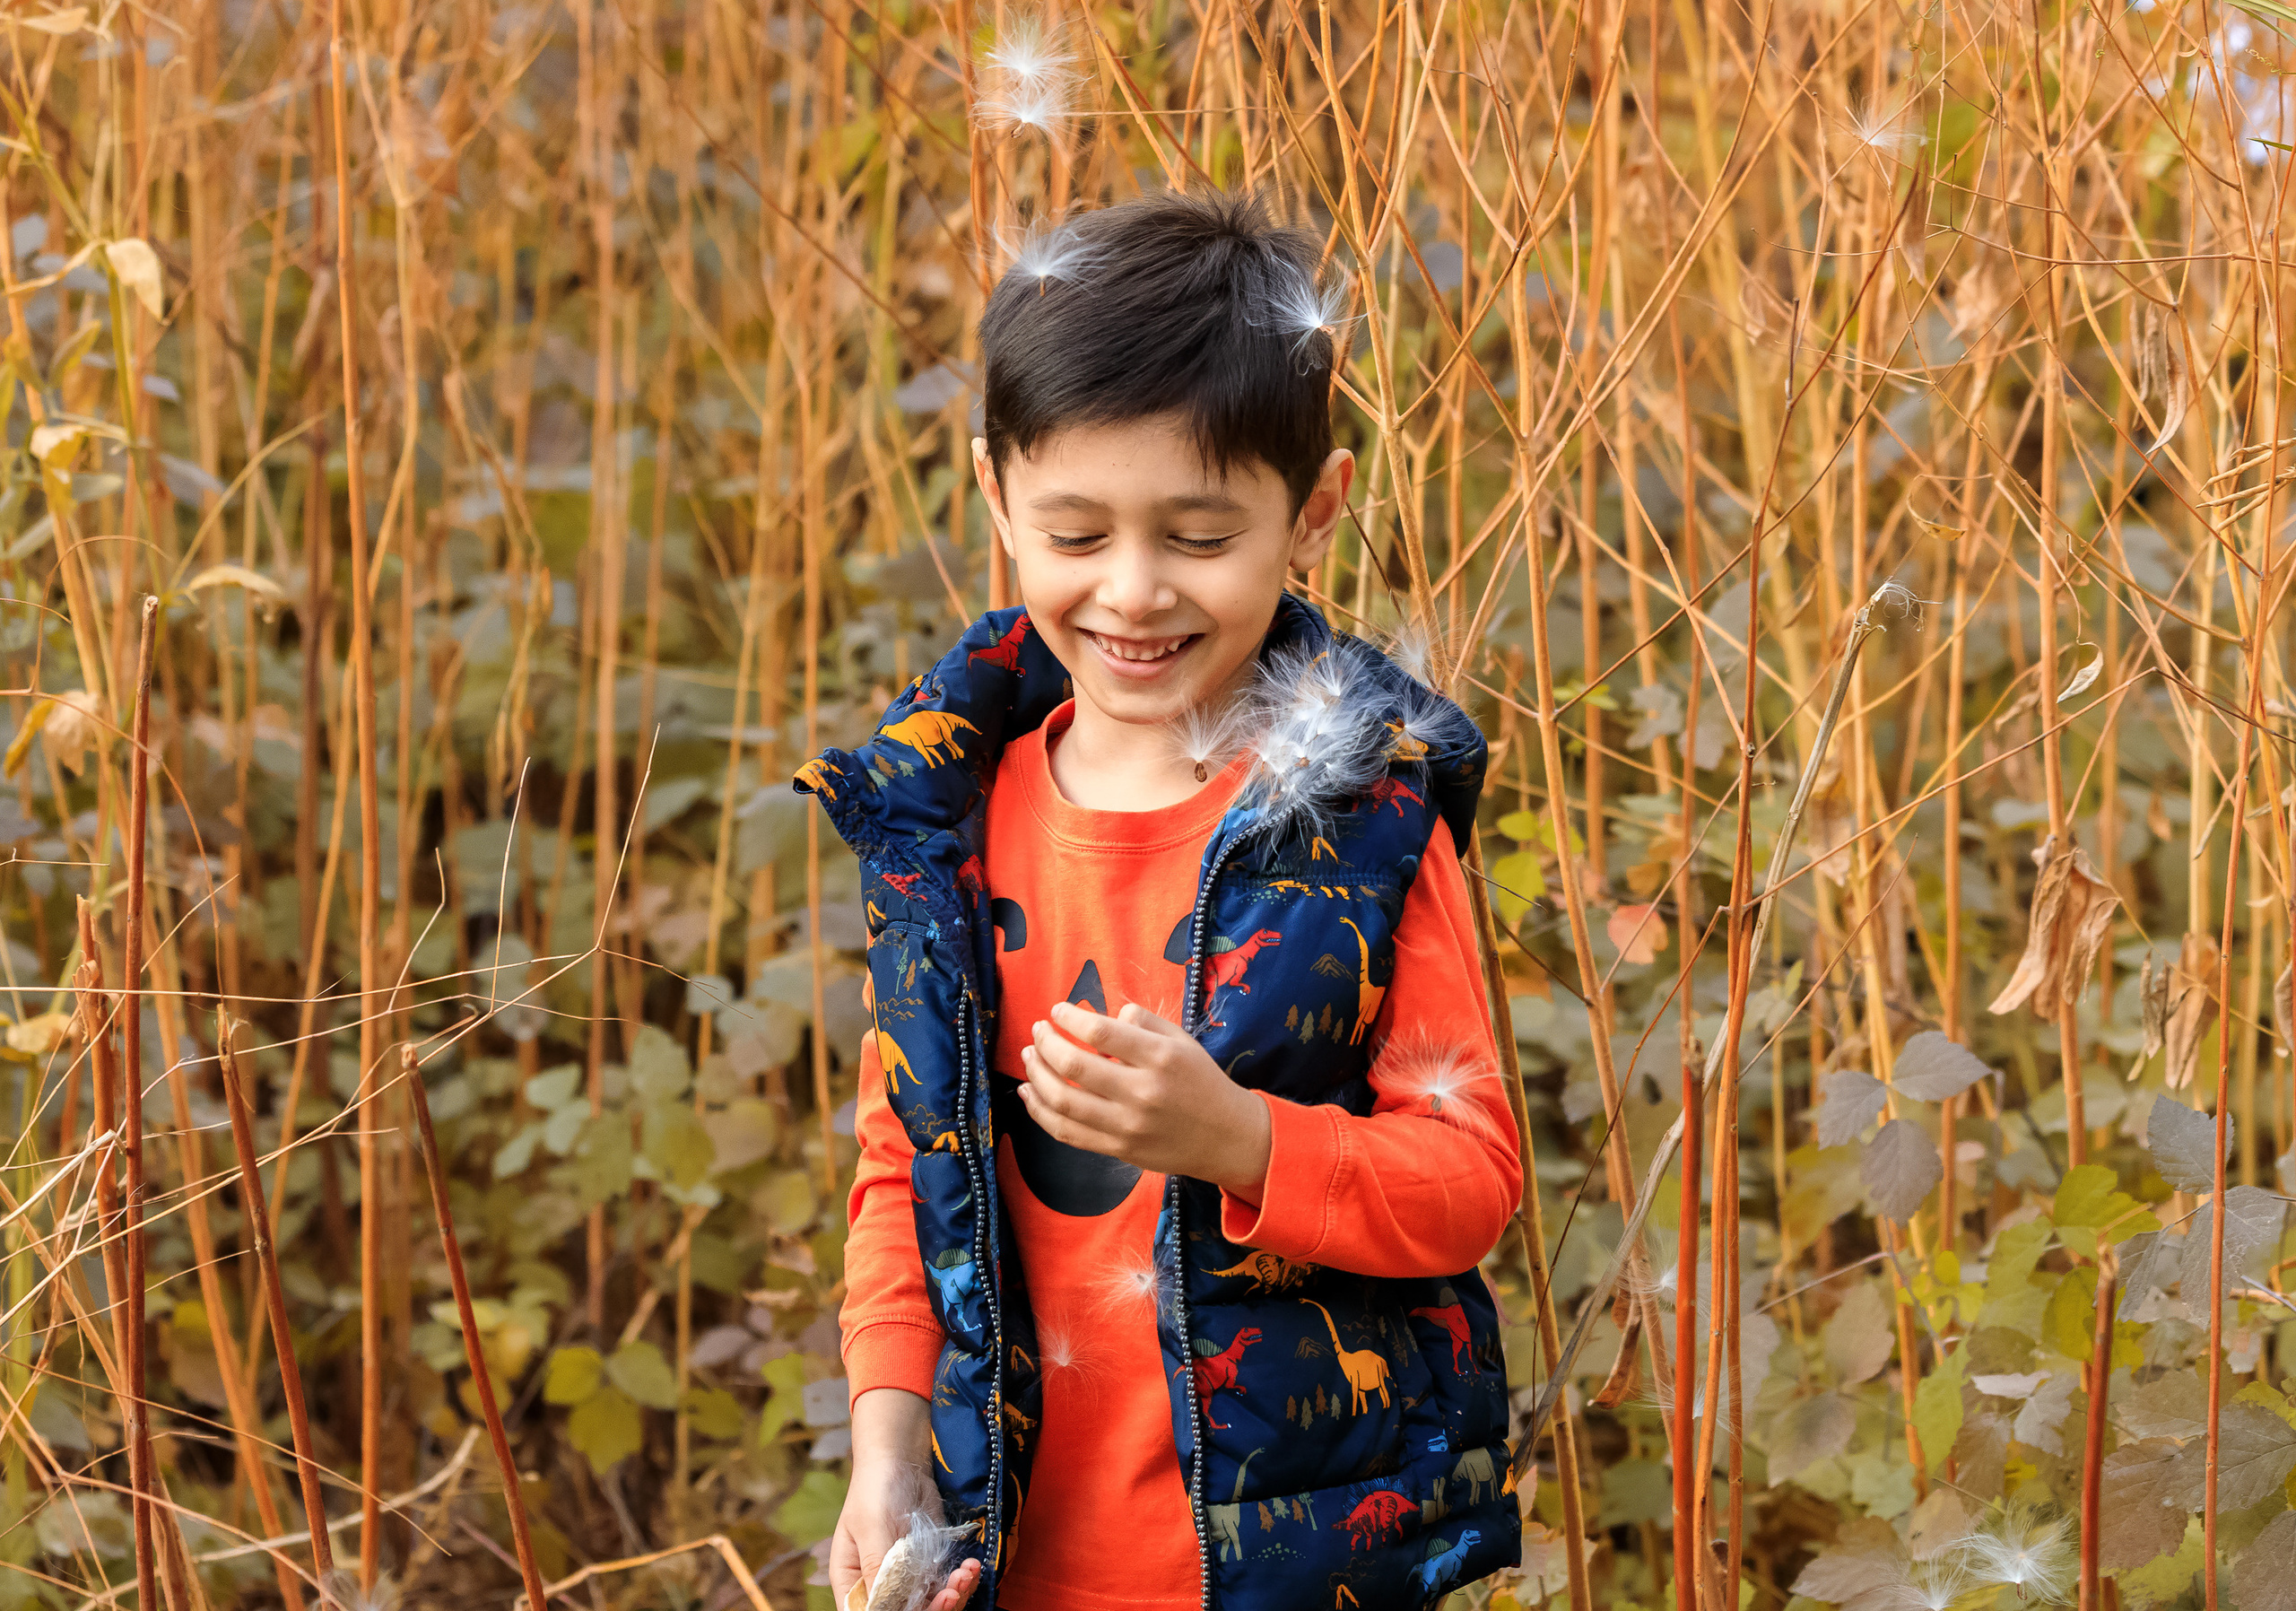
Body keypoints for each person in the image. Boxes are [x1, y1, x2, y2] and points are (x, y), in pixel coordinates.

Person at [799, 188, 1522, 1611]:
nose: (1131, 593)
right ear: (994, 493)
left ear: (1313, 510)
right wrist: (886, 1454)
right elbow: (905, 1169)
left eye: (1198, 537)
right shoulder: (947, 826)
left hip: (1291, 1571)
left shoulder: (1362, 826)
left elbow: (1469, 1188)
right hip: (1014, 1562)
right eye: (1076, 534)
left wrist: (1240, 1139)